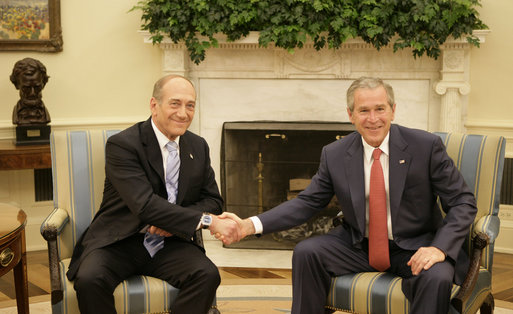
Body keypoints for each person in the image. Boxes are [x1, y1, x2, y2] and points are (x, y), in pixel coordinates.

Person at [218, 77, 478, 314]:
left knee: (436, 276)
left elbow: (462, 201)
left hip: (414, 246)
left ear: (393, 110)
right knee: (307, 252)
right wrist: (248, 226)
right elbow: (307, 202)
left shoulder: (425, 146)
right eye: (363, 110)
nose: (373, 118)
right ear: (351, 115)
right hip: (358, 245)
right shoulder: (335, 154)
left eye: (380, 109)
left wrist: (438, 248)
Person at [67, 74, 240, 314]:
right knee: (89, 280)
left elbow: (213, 201)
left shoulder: (197, 146)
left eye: (190, 105)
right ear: (154, 105)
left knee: (207, 275)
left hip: (169, 243)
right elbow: (145, 205)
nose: (183, 113)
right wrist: (206, 221)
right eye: (175, 103)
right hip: (120, 240)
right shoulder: (124, 145)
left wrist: (174, 224)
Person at [10, 57, 51, 125]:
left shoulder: (44, 114)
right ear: (17, 85)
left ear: (44, 84)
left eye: (37, 87)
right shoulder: (17, 114)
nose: (32, 93)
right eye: (26, 88)